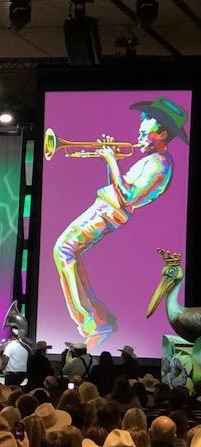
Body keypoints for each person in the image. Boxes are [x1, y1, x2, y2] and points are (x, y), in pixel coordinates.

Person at [53, 97, 190, 347]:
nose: (139, 132)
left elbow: (127, 197)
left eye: (145, 127)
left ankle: (93, 323)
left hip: (109, 213)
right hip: (107, 208)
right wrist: (111, 164)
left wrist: (112, 160)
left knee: (64, 250)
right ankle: (96, 320)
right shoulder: (152, 159)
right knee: (68, 252)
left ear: (161, 132)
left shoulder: (160, 164)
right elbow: (119, 190)